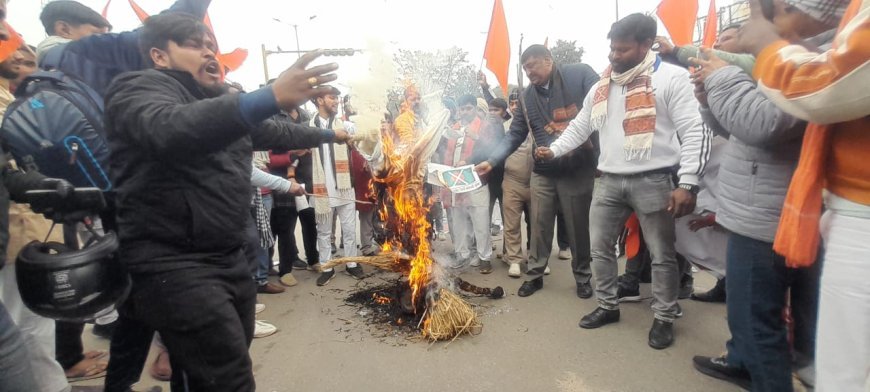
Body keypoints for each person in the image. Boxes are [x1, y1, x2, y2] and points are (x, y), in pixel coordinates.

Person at [103, 12, 348, 390]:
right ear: (159, 56)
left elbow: (276, 129)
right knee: (229, 379)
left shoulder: (221, 101)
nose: (208, 53)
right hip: (175, 262)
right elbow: (171, 128)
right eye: (193, 45)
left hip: (231, 256)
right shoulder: (135, 89)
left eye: (210, 46)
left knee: (203, 369)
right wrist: (268, 96)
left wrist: (332, 136)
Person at [536, 13, 711, 349]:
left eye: (623, 50)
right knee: (599, 248)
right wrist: (554, 150)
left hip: (655, 180)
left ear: (647, 45)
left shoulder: (672, 79)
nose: (614, 56)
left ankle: (663, 315)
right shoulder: (603, 85)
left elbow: (694, 131)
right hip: (609, 179)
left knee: (662, 254)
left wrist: (687, 183)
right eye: (612, 50)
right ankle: (607, 306)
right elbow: (580, 124)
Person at [736, 0, 869, 390]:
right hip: (840, 209)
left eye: (776, 13)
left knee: (843, 377)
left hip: (856, 217)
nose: (778, 26)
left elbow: (821, 92)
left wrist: (766, 49)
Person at [475, 44, 600, 299]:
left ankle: (583, 277)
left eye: (532, 65)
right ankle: (534, 275)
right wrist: (492, 160)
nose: (529, 71)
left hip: (576, 168)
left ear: (548, 60)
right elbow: (515, 134)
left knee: (577, 226)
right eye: (524, 68)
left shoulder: (580, 75)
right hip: (542, 170)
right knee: (539, 224)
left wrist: (599, 154)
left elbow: (603, 103)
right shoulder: (527, 97)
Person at [440, 94, 504, 273]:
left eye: (468, 108)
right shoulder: (454, 127)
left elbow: (492, 148)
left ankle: (484, 257)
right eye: (462, 108)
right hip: (456, 181)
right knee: (458, 219)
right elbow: (445, 150)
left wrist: (475, 138)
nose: (465, 111)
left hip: (477, 180)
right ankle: (462, 254)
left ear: (475, 108)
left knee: (480, 220)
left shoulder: (485, 126)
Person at [308, 86, 365, 286]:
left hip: (344, 187)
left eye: (337, 98)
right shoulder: (308, 126)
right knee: (323, 232)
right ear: (319, 100)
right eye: (332, 97)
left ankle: (351, 264)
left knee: (349, 229)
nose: (336, 101)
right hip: (322, 188)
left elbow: (359, 136)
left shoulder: (345, 125)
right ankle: (327, 267)